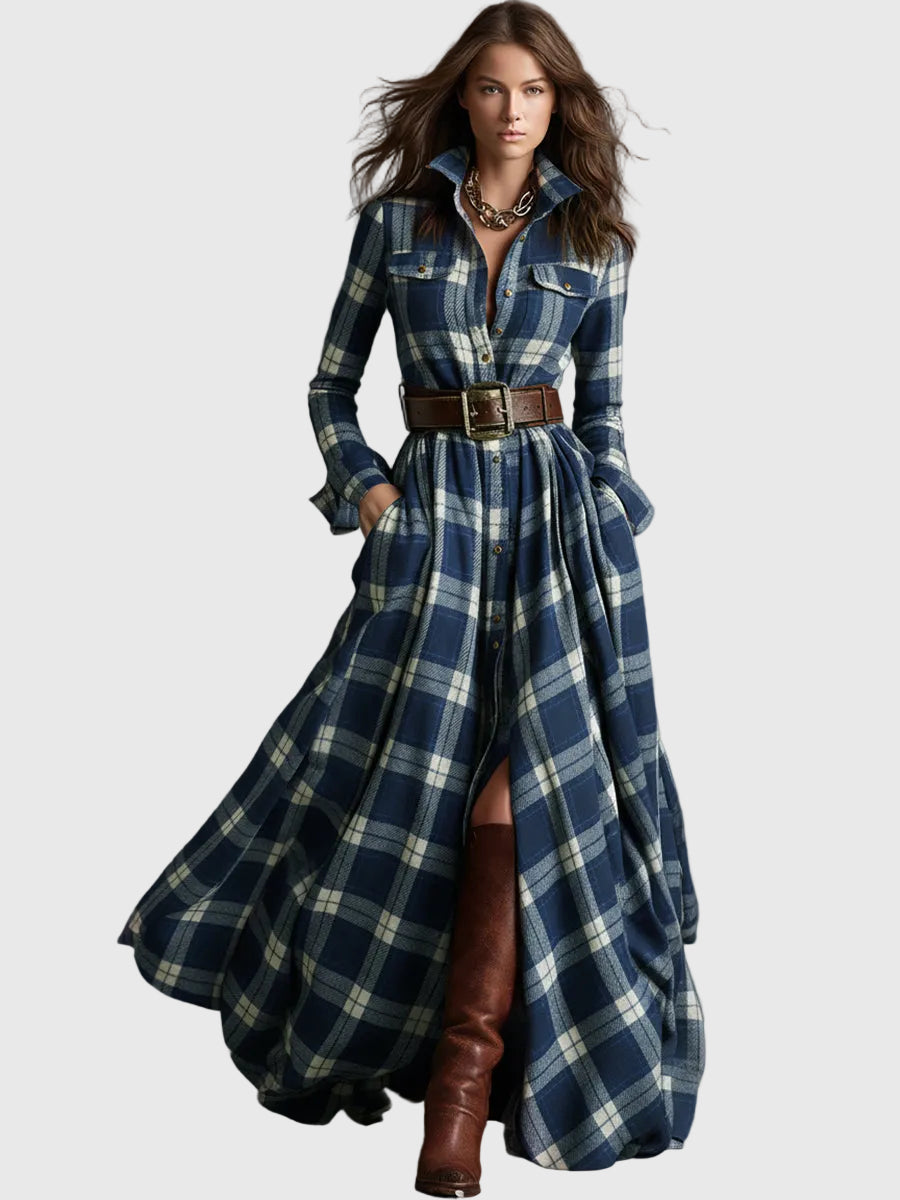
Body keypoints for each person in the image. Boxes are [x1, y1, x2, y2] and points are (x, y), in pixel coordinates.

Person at [116, 3, 705, 1194]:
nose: (512, 111)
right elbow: (330, 388)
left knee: (530, 781)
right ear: (462, 99)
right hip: (432, 523)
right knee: (403, 775)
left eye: (534, 91)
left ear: (560, 104)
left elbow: (604, 411)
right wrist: (372, 496)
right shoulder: (397, 224)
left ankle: (463, 1091)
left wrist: (610, 506)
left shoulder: (597, 238)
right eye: (492, 88)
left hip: (554, 532)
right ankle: (375, 1019)